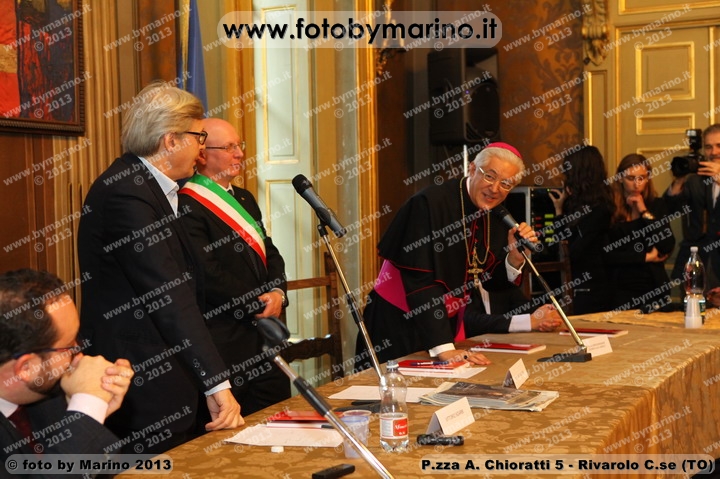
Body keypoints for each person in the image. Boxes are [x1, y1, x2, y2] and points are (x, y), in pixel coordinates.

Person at [77, 82, 242, 454]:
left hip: (165, 372)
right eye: (199, 137)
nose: (202, 149)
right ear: (171, 141)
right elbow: (170, 295)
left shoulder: (150, 187)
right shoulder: (126, 194)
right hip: (141, 380)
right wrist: (217, 383)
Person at [356, 143, 561, 368]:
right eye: (489, 176)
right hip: (397, 323)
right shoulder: (429, 204)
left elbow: (490, 283)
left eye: (506, 184)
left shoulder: (494, 214)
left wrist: (514, 259)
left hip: (443, 326)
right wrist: (444, 349)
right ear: (472, 169)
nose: (495, 189)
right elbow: (421, 281)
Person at [178, 118, 290, 416]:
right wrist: (258, 302)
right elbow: (208, 273)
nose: (239, 154)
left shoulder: (244, 198)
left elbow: (271, 253)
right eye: (229, 147)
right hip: (225, 340)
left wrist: (278, 292)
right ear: (202, 154)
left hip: (266, 337)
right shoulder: (186, 203)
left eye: (239, 145)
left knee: (278, 419)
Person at [0, 269, 134, 469]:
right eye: (68, 346)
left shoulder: (46, 394)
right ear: (25, 368)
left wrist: (89, 414)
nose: (78, 355)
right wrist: (88, 406)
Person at [605, 154, 675, 311]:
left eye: (641, 178)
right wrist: (645, 257)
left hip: (653, 285)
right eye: (630, 178)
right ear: (620, 178)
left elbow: (667, 245)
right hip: (619, 287)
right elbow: (606, 254)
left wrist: (644, 211)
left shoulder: (657, 205)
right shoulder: (610, 208)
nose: (636, 184)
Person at [549, 145, 614, 314]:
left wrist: (560, 215)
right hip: (574, 284)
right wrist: (560, 210)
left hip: (590, 289)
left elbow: (569, 251)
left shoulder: (600, 210)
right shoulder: (576, 205)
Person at [665, 124, 720, 300]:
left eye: (719, 146)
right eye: (708, 147)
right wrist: (679, 180)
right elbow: (669, 209)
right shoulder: (696, 179)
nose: (714, 152)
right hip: (696, 262)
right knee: (692, 312)